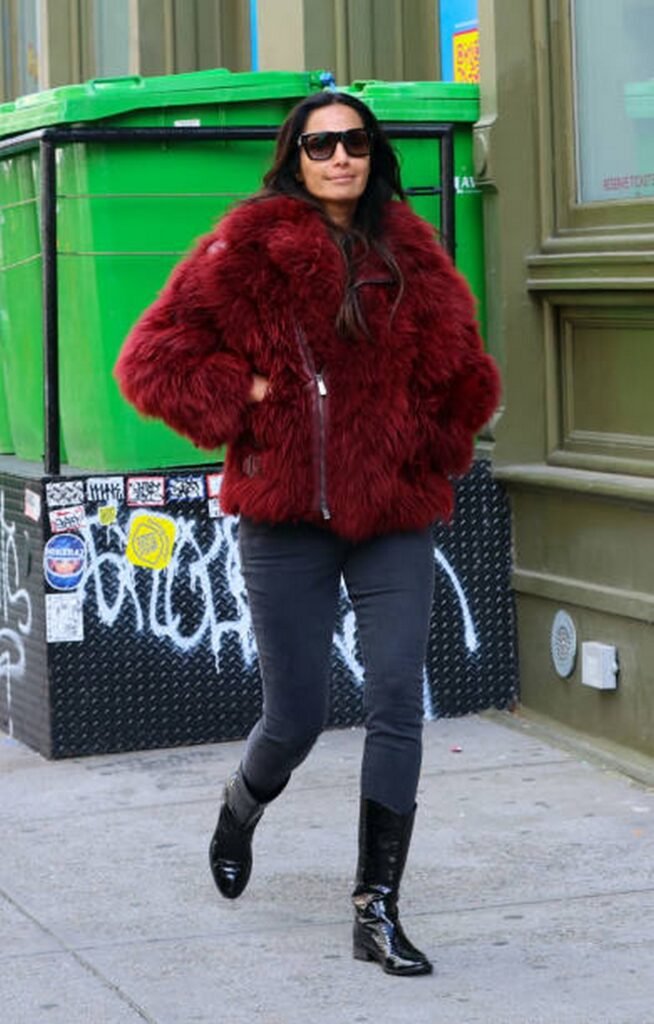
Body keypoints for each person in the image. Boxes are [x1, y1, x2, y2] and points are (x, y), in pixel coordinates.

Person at [114, 89, 500, 977]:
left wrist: (436, 446)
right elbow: (151, 360)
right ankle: (242, 804)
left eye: (355, 142)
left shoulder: (411, 251)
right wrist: (248, 395)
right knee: (296, 717)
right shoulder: (243, 248)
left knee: (398, 698)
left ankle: (376, 909)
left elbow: (465, 370)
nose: (339, 158)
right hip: (286, 518)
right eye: (321, 144)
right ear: (295, 156)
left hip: (395, 514)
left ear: (374, 153)